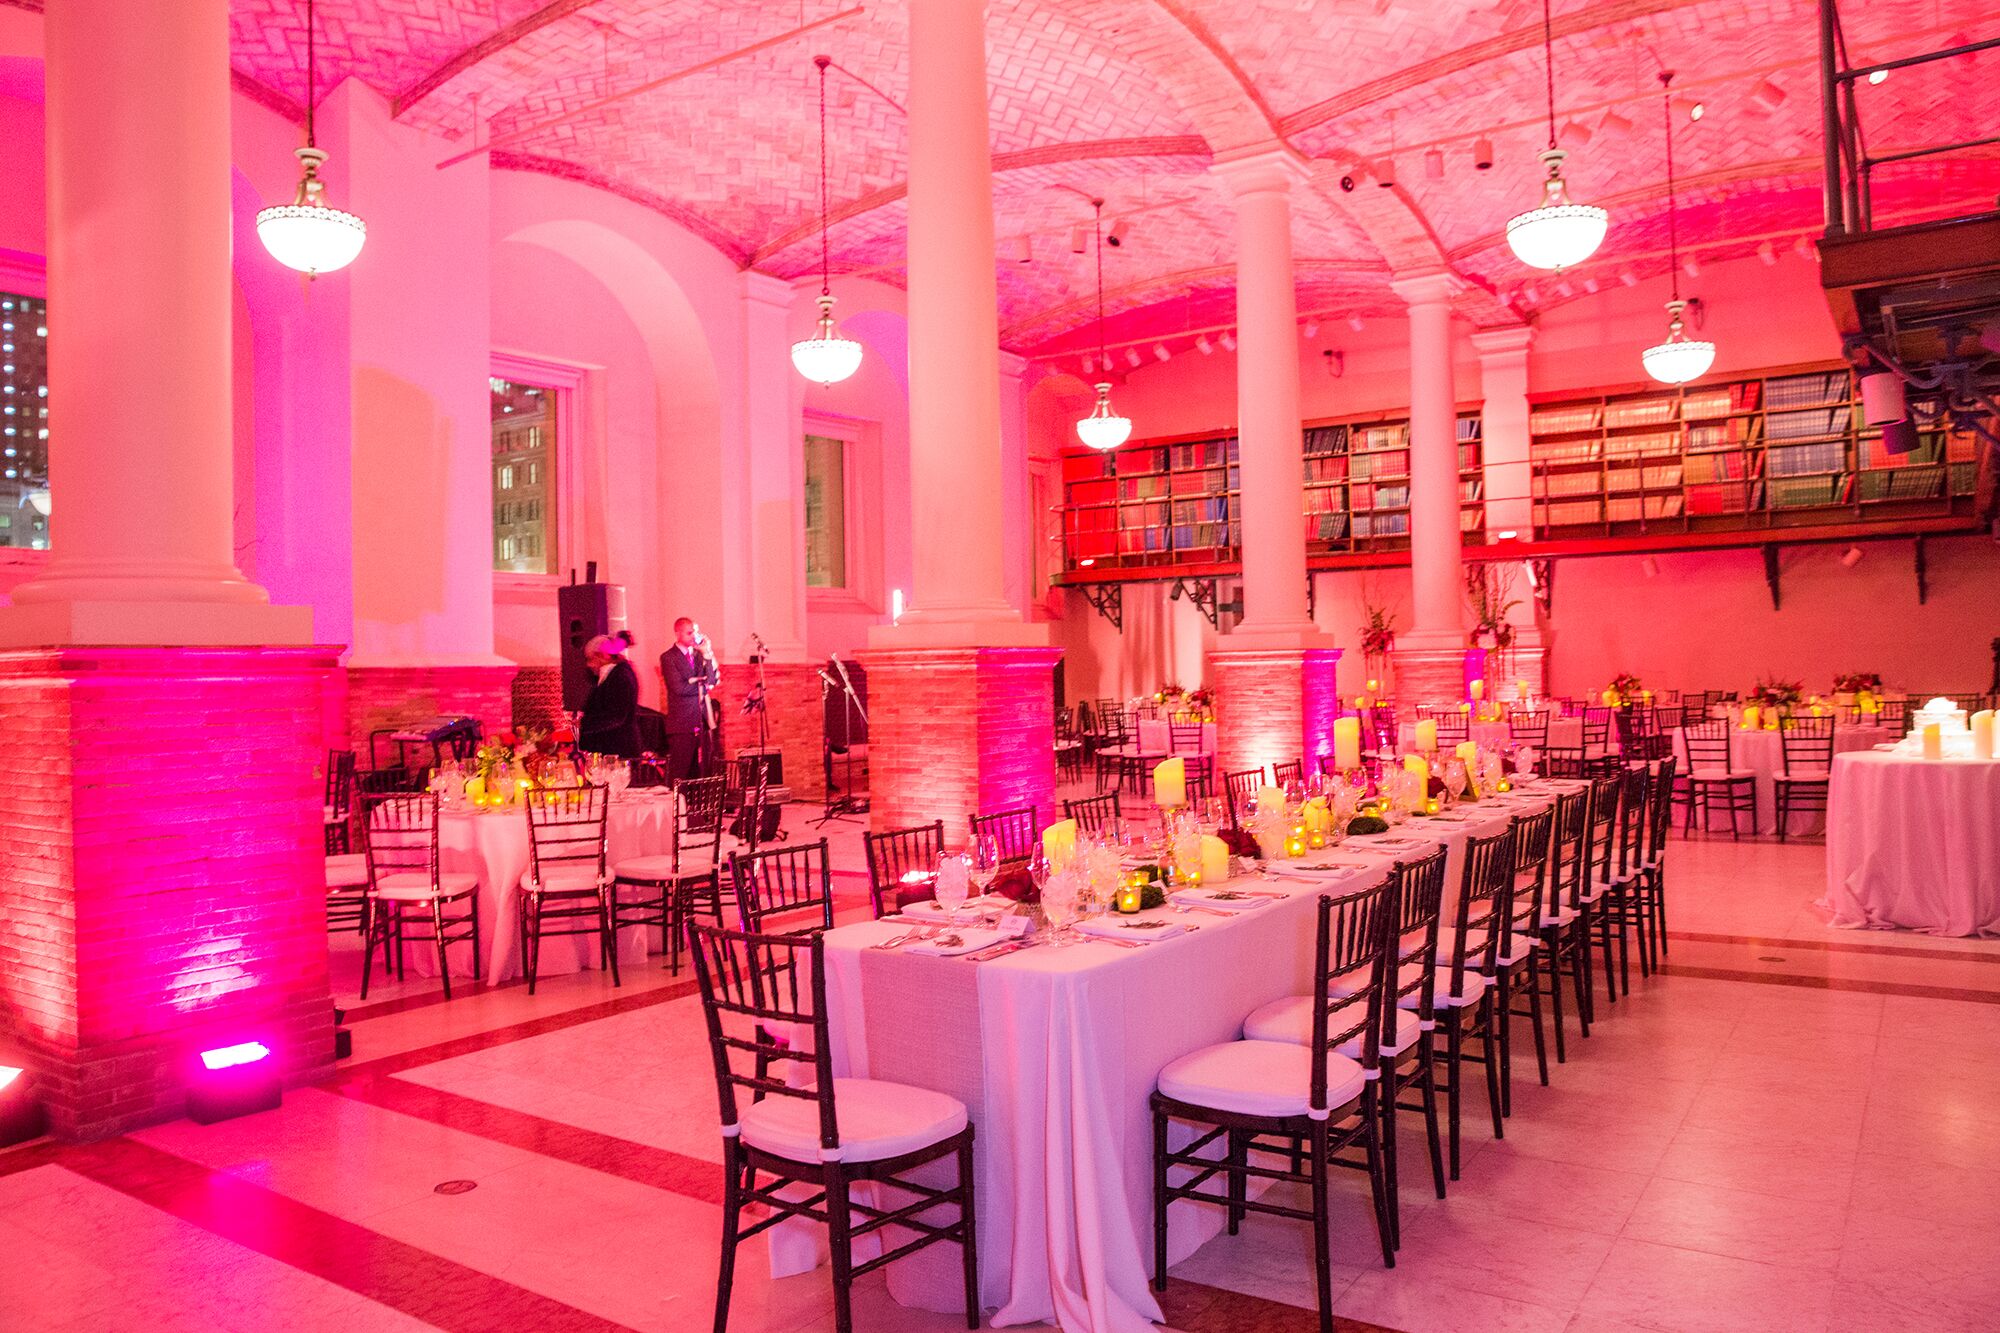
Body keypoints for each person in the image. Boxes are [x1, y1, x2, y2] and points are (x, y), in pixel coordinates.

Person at [659, 616, 721, 781]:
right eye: (689, 633)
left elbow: (712, 680)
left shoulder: (700, 655)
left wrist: (707, 654)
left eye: (695, 632)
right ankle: (677, 805)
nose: (694, 636)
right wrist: (702, 685)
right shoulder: (668, 657)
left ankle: (698, 805)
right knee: (681, 771)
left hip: (702, 720)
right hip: (682, 723)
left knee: (702, 771)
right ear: (678, 633)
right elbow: (679, 688)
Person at [577, 633, 642, 759]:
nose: (589, 665)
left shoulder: (621, 677)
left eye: (591, 659)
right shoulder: (611, 675)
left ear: (602, 656)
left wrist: (583, 723)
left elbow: (617, 716)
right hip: (611, 748)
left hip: (618, 749)